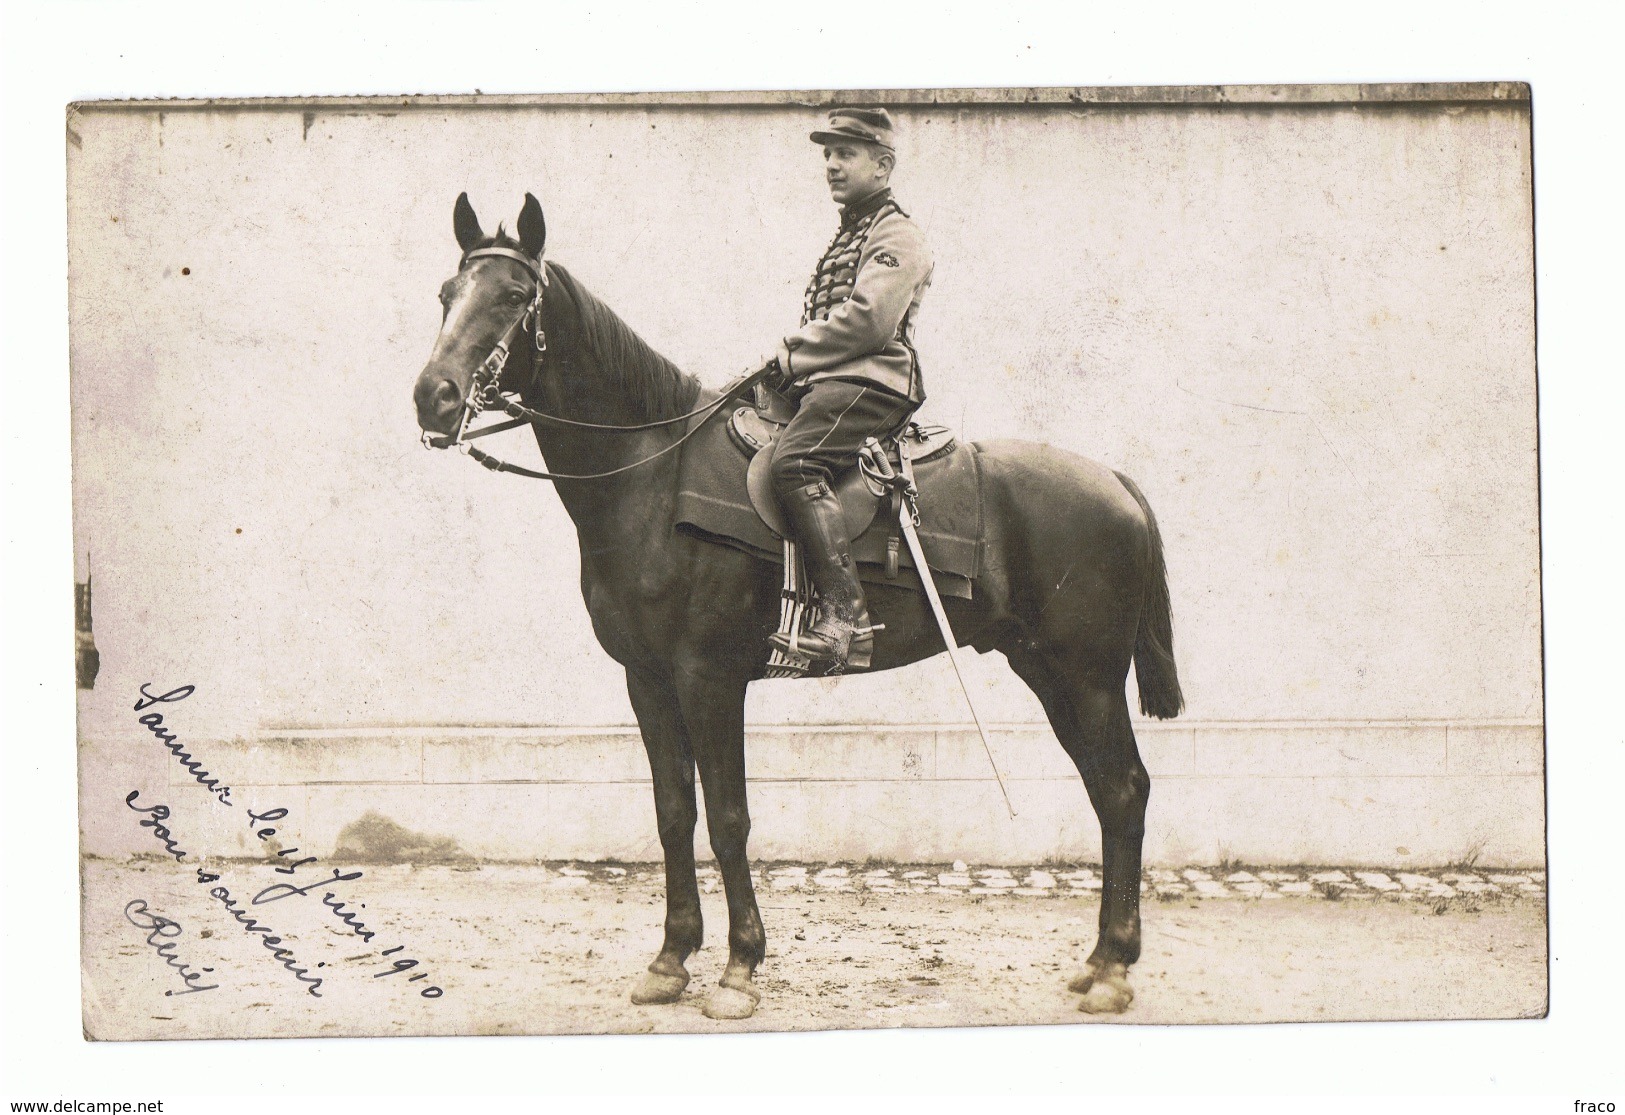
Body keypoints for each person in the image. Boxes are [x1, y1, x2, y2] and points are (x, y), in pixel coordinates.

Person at [758, 107, 935, 670]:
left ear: (882, 165)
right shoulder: (851, 234)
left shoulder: (897, 233)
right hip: (831, 381)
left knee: (794, 463)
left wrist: (791, 354)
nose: (831, 165)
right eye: (827, 154)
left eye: (845, 154)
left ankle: (844, 619)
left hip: (874, 379)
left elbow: (868, 321)